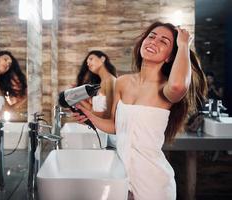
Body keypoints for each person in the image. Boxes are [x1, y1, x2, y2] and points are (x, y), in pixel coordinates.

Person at [74, 22, 207, 200]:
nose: (154, 41)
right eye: (151, 36)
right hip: (123, 179)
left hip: (154, 184)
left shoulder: (166, 88)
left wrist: (183, 44)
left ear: (169, 57)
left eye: (164, 41)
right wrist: (89, 115)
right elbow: (115, 126)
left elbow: (178, 85)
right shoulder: (122, 82)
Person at [76, 50, 117, 119]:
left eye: (91, 59)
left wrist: (87, 115)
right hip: (99, 126)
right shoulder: (101, 83)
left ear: (102, 59)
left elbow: (110, 114)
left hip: (104, 127)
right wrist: (77, 96)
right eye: (87, 63)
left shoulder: (110, 80)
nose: (88, 63)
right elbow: (94, 109)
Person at [0, 51, 27, 121]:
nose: (7, 64)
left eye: (9, 64)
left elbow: (9, 109)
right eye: (5, 59)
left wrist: (25, 98)